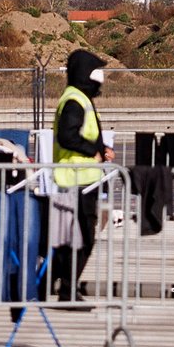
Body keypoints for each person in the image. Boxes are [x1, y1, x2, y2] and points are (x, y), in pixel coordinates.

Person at [50, 48, 113, 302]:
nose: (100, 79)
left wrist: (101, 149)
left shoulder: (80, 98)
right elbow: (68, 136)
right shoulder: (74, 101)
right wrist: (93, 152)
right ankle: (67, 290)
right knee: (81, 239)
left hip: (85, 180)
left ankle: (52, 285)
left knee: (74, 239)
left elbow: (83, 134)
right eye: (95, 72)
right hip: (76, 180)